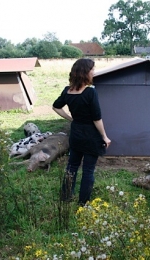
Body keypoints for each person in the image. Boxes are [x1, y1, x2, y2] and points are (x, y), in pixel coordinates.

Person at [52, 58, 111, 205]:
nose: (94, 72)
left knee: (71, 166)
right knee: (88, 170)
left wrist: (70, 118)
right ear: (86, 72)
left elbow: (56, 106)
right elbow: (97, 118)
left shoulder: (68, 91)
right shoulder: (90, 92)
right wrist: (105, 136)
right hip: (90, 136)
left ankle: (65, 197)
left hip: (76, 134)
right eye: (92, 69)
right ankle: (83, 203)